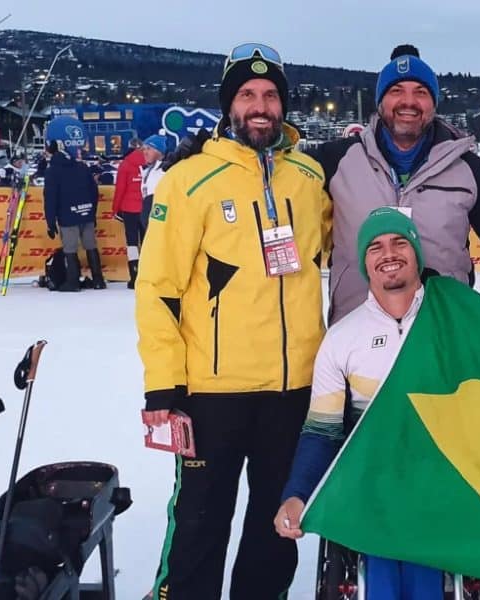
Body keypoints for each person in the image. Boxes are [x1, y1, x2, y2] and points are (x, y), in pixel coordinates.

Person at [136, 42, 331, 600]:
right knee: (199, 524)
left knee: (277, 529)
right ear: (229, 106)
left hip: (293, 391)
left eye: (270, 95)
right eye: (247, 95)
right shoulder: (190, 180)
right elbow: (157, 289)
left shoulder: (309, 177)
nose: (260, 105)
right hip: (211, 393)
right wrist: (163, 386)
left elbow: (333, 250)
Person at [275, 207, 443, 599]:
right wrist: (298, 492)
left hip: (440, 482)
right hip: (374, 488)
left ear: (417, 252)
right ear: (365, 263)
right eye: (375, 247)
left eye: (400, 242)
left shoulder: (452, 321)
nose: (389, 253)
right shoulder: (343, 338)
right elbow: (322, 431)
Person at [312, 44, 480, 323]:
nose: (408, 102)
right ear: (380, 102)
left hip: (442, 331)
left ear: (433, 104)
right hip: (356, 332)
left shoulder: (468, 168)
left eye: (420, 92)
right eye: (396, 91)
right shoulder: (335, 160)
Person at [43, 140, 104, 291]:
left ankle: (73, 281)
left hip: (67, 216)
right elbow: (93, 191)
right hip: (86, 213)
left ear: (51, 152)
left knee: (70, 248)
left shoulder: (52, 171)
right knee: (91, 246)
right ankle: (98, 280)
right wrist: (92, 212)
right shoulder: (81, 166)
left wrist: (50, 223)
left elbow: (50, 198)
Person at [112, 138, 147, 288]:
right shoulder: (149, 163)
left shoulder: (125, 165)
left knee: (132, 243)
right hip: (147, 207)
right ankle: (148, 275)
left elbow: (120, 190)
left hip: (129, 209)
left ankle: (134, 276)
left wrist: (115, 209)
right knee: (148, 242)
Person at [139, 134, 168, 232]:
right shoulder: (147, 170)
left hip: (160, 220)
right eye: (144, 149)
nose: (145, 152)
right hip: (148, 218)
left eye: (149, 148)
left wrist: (157, 223)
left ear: (159, 151)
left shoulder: (166, 170)